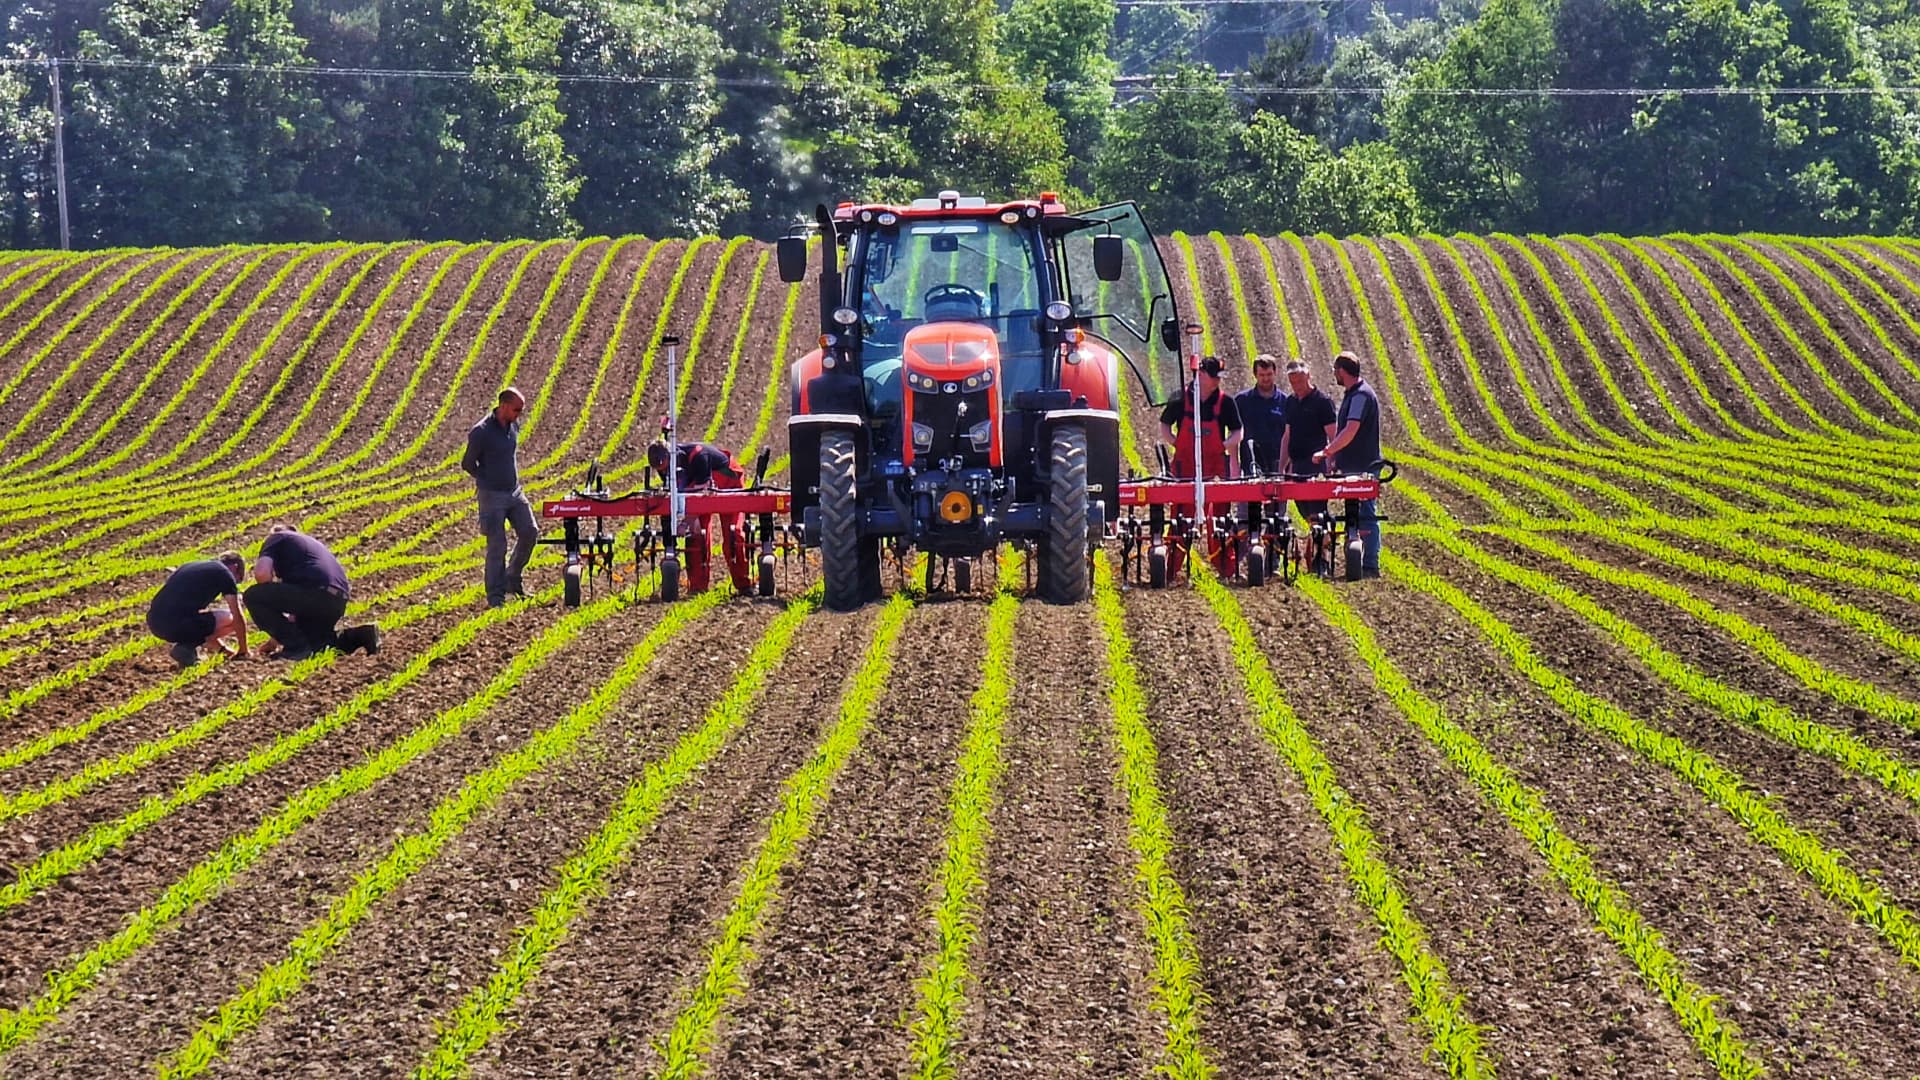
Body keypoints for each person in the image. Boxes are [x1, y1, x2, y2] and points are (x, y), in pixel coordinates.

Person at [1158, 356, 1243, 576]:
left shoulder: (1225, 402)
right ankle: (1170, 569)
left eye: (1219, 378)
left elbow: (1237, 432)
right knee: (1180, 519)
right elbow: (1164, 425)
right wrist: (1176, 442)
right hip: (1185, 466)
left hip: (1214, 468)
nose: (1217, 382)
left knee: (1219, 520)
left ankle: (1226, 569)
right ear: (1201, 374)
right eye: (1214, 377)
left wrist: (1223, 445)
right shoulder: (1180, 398)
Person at [245, 524, 380, 660]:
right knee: (315, 645)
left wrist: (269, 592)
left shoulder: (277, 537)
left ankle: (296, 648)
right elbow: (293, 609)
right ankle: (360, 635)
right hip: (336, 600)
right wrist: (274, 641)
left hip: (314, 593)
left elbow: (261, 574)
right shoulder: (307, 551)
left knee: (254, 596)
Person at [464, 387, 539, 608]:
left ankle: (512, 579)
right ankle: (495, 597)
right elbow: (467, 463)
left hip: (514, 492)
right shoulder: (481, 432)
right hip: (492, 496)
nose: (519, 414)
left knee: (530, 531)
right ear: (503, 405)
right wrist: (486, 479)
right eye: (516, 409)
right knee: (497, 545)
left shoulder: (513, 426)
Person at [647, 438, 752, 594]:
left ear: (671, 456)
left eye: (664, 467)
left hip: (728, 482)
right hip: (697, 489)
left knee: (733, 534)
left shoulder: (698, 456)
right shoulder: (667, 470)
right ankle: (697, 587)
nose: (663, 472)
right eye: (660, 470)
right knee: (696, 534)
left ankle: (743, 585)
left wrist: (685, 522)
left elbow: (701, 494)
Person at [1314, 351, 1384, 578]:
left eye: (1335, 371)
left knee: (1366, 513)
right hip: (1353, 464)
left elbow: (1350, 430)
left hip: (1364, 464)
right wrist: (1336, 458)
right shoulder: (1353, 394)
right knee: (1355, 512)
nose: (1334, 375)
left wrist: (1327, 451)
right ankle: (1359, 557)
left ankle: (1370, 565)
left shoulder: (1361, 395)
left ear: (1342, 371)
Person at [1275, 358, 1339, 572]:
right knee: (1304, 511)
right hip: (1298, 466)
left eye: (1300, 382)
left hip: (1317, 466)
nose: (1297, 387)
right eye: (1293, 383)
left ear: (1308, 377)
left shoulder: (1322, 402)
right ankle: (1322, 541)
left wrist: (1331, 462)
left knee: (1316, 513)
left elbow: (1333, 435)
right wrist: (1282, 466)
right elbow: (1287, 435)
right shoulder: (1291, 402)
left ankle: (1319, 559)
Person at [147, 552, 249, 669]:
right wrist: (243, 650)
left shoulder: (194, 566)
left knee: (201, 619)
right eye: (238, 580)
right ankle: (186, 648)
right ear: (235, 567)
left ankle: (187, 649)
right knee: (229, 619)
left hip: (155, 622)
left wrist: (223, 650)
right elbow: (237, 615)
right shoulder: (224, 574)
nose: (235, 583)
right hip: (176, 624)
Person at [1234, 354, 1289, 476]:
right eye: (1262, 375)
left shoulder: (1286, 402)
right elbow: (1234, 432)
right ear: (1255, 375)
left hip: (1278, 465)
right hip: (1251, 465)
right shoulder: (1242, 401)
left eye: (1269, 374)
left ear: (1275, 373)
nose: (1266, 379)